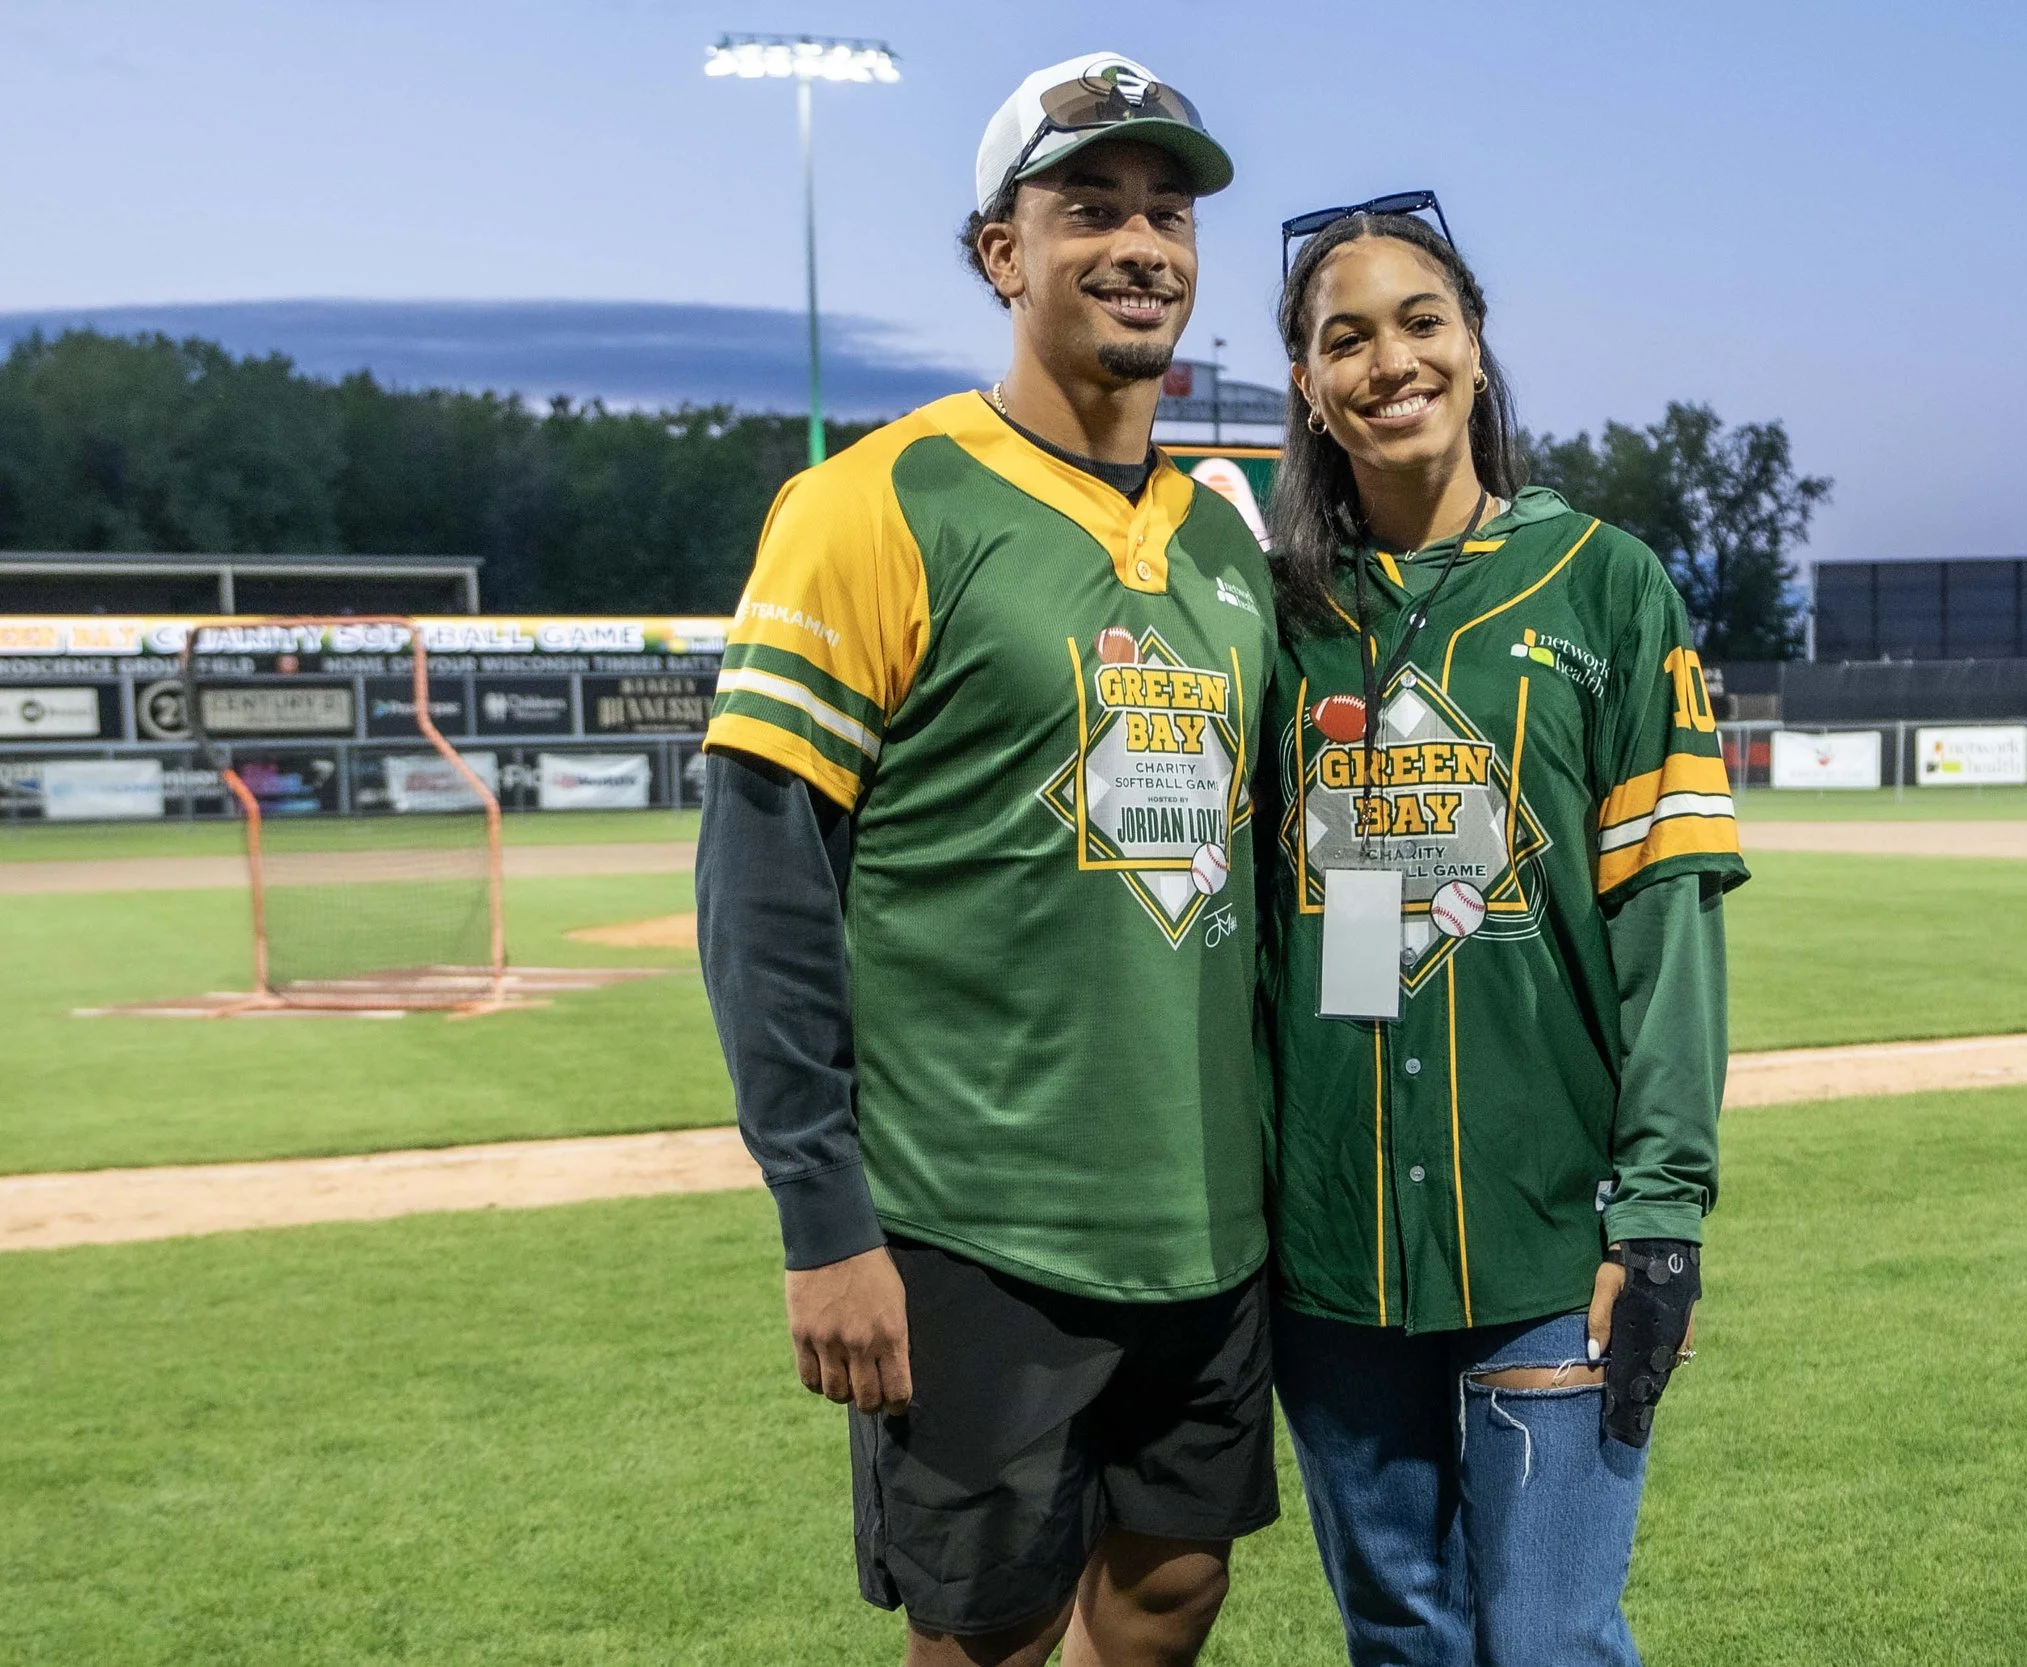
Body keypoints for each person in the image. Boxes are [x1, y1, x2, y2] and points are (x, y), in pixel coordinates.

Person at [695, 52, 1277, 1667]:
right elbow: (760, 888)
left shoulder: (1230, 540)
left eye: (1168, 210)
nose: (1140, 241)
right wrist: (824, 1218)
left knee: (1173, 1587)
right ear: (999, 254)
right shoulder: (873, 501)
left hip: (1208, 1210)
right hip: (973, 1211)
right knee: (988, 1630)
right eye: (1088, 206)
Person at [1255, 196, 1748, 1665]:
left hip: (1546, 1241)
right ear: (1305, 382)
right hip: (1330, 1255)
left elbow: (1668, 927)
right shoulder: (1278, 618)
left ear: (1475, 347)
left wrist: (1662, 1216)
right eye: (1344, 336)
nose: (1388, 359)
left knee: (1543, 1643)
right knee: (1402, 1643)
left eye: (1422, 321)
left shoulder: (1605, 584)